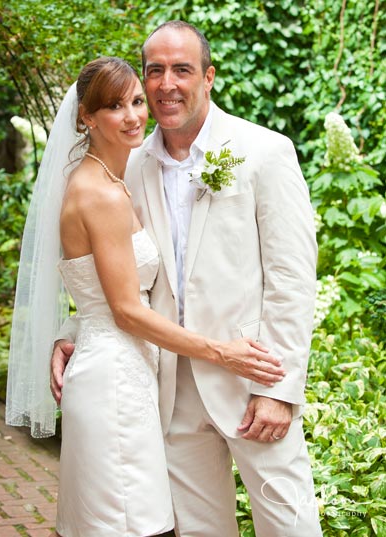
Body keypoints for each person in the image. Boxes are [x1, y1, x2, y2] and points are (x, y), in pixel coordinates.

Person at [51, 22, 322, 536]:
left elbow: (292, 278)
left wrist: (282, 389)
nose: (167, 84)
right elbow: (121, 280)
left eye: (182, 69)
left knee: (291, 524)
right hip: (169, 391)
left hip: (252, 382)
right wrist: (74, 333)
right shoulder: (127, 167)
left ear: (209, 77)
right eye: (155, 71)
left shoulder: (264, 152)